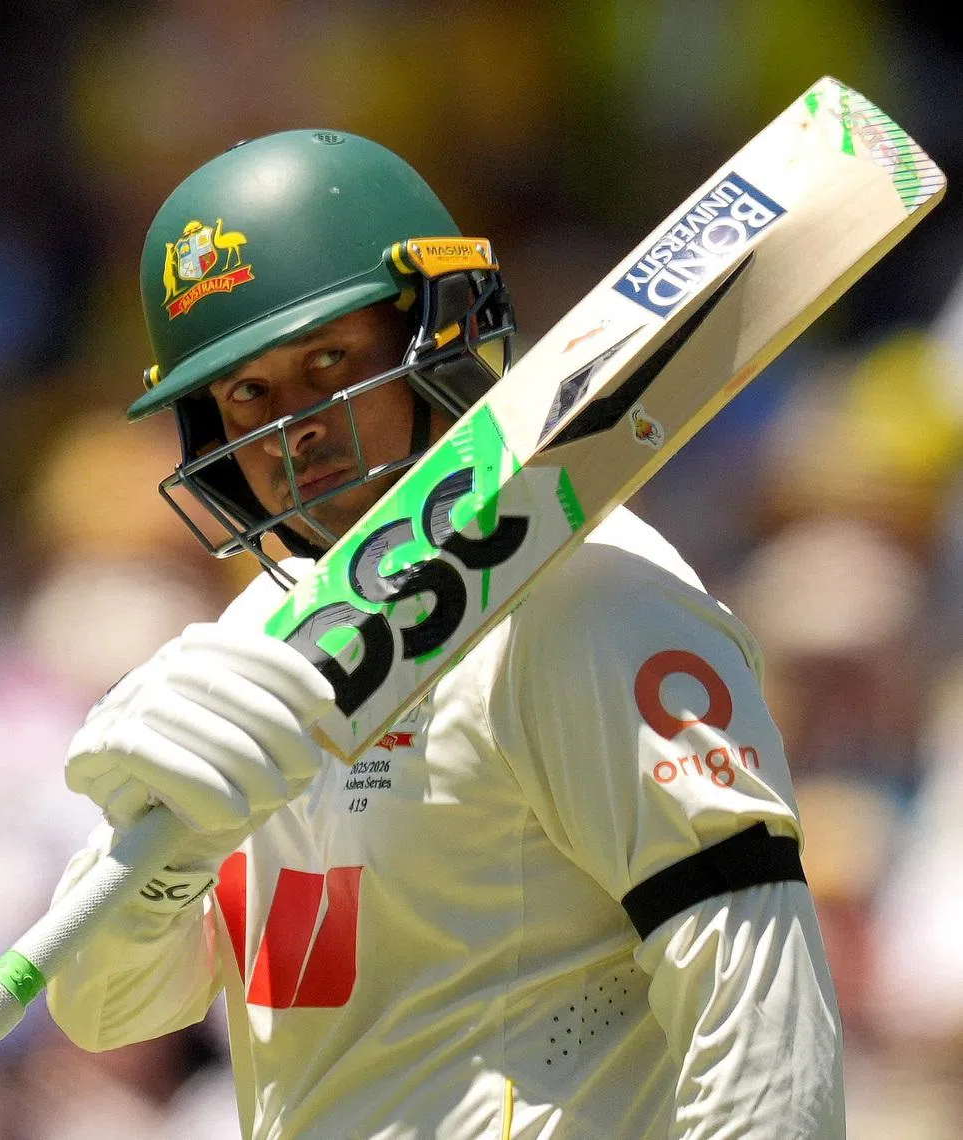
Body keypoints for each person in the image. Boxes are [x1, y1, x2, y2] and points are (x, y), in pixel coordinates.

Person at [46, 129, 845, 1138]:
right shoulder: (254, 644)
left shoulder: (596, 604)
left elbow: (759, 1014)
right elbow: (111, 1008)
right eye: (248, 392)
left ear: (441, 329)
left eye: (329, 359)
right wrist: (163, 843)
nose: (296, 430)